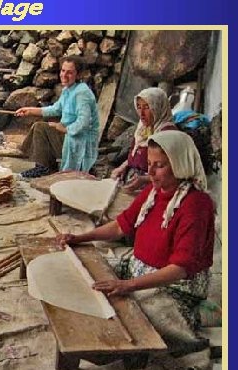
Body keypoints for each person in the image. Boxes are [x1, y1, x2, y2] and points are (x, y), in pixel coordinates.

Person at [56, 130, 214, 331]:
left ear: (180, 165)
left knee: (137, 317)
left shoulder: (196, 205)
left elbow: (180, 269)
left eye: (160, 165)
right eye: (149, 164)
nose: (151, 172)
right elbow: (121, 225)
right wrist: (79, 237)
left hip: (175, 286)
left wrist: (128, 285)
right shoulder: (154, 191)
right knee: (83, 272)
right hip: (137, 268)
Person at [15, 56, 100, 178]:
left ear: (79, 74)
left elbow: (83, 122)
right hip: (70, 135)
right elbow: (55, 109)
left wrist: (63, 129)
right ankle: (45, 165)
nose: (64, 75)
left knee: (40, 128)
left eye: (69, 72)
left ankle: (43, 168)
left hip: (80, 142)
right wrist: (29, 110)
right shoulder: (68, 90)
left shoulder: (82, 93)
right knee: (40, 126)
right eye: (63, 71)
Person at [111, 87, 177, 192]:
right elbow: (134, 155)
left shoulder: (167, 135)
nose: (141, 114)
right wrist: (122, 168)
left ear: (158, 107)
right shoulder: (142, 129)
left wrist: (144, 180)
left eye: (147, 107)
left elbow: (173, 173)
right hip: (132, 183)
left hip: (154, 189)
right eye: (138, 107)